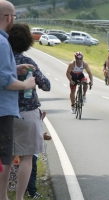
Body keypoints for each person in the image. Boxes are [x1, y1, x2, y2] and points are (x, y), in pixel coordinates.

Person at [8, 23, 51, 200]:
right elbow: (46, 85)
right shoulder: (29, 63)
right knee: (26, 158)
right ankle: (20, 197)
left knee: (6, 158)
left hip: (6, 113)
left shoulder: (4, 61)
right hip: (27, 113)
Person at [0, 2, 36, 200]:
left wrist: (15, 69)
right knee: (4, 157)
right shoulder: (3, 42)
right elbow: (3, 80)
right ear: (9, 18)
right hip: (3, 109)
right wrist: (26, 84)